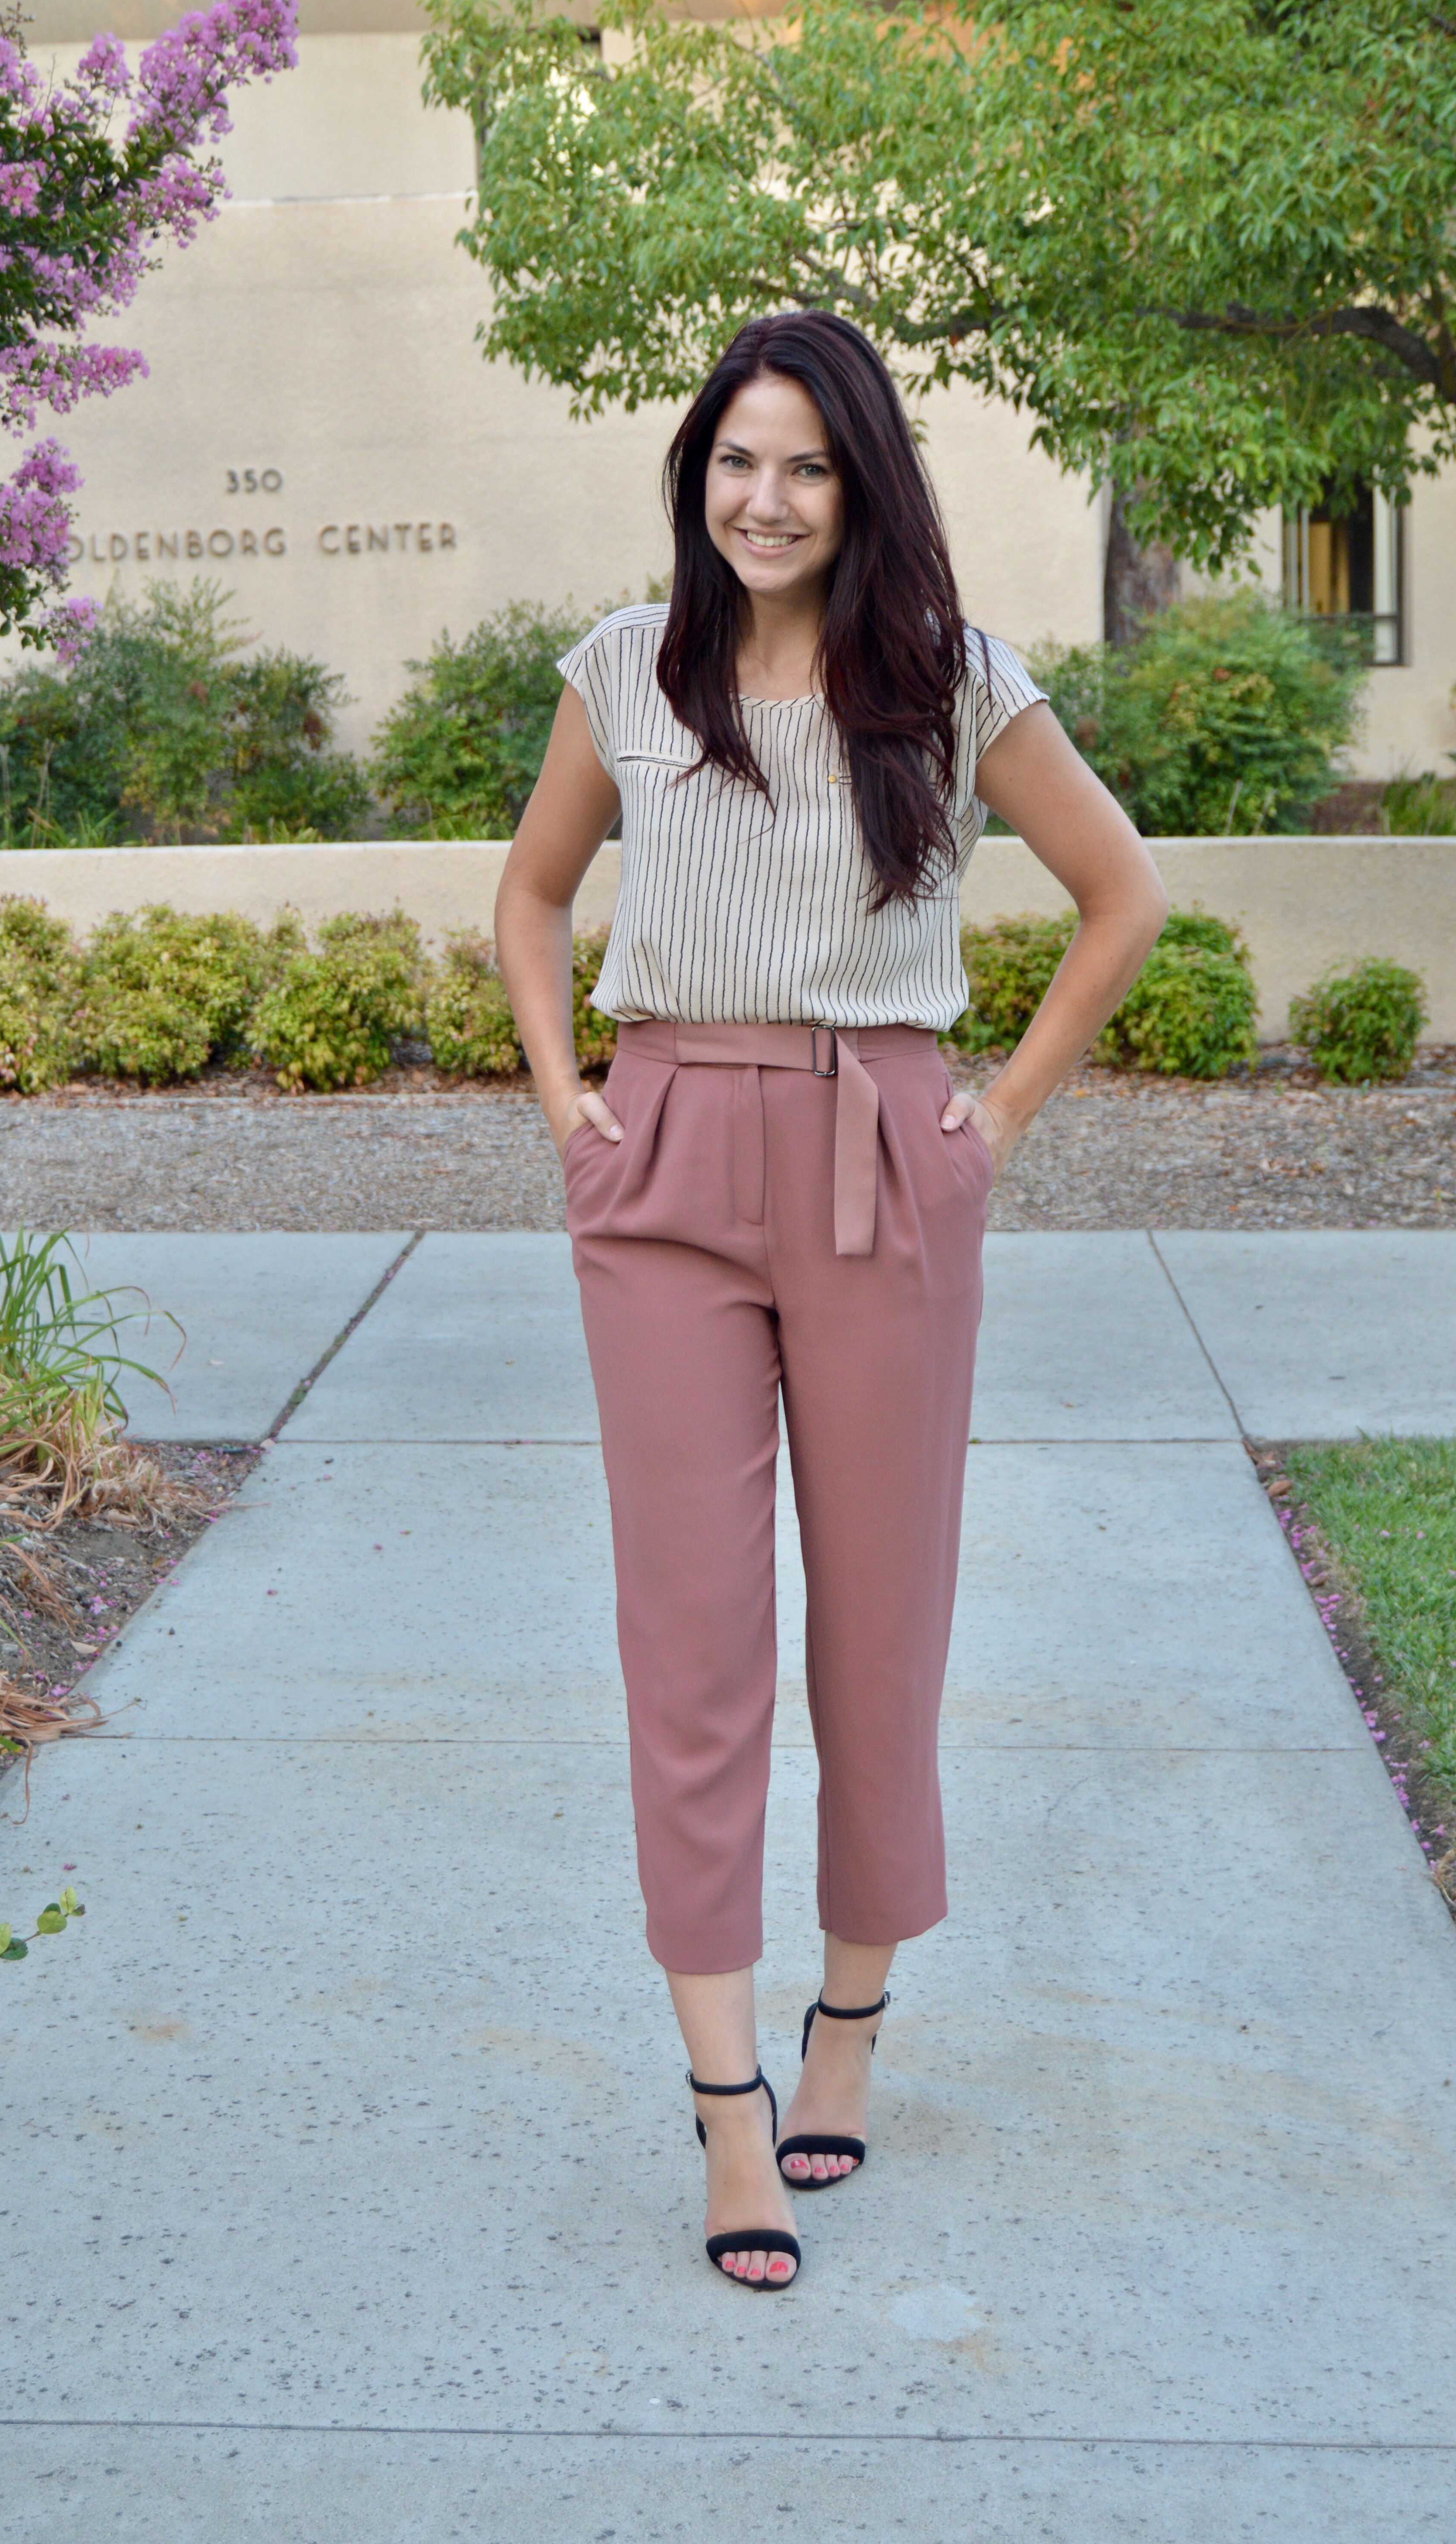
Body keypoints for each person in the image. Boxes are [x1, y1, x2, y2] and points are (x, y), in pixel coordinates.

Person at [495, 311, 1166, 2291]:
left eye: (804, 464)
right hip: (665, 1167)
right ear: (695, 479)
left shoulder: (950, 684)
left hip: (885, 1159)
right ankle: (725, 2105)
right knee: (691, 1645)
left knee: (879, 1629)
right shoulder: (626, 670)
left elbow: (1120, 893)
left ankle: (847, 2024)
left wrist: (997, 1115)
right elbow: (532, 892)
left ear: (860, 485)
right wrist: (567, 1101)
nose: (766, 498)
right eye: (736, 461)